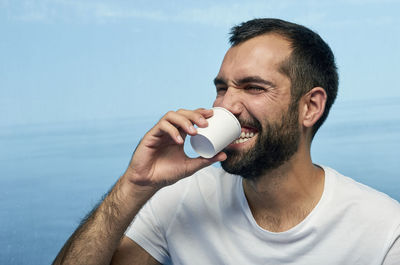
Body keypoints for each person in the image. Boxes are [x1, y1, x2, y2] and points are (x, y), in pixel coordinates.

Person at [53, 18, 400, 265]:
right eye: (222, 88)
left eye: (253, 87)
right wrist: (134, 185)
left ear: (310, 107)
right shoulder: (181, 199)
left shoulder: (384, 233)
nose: (224, 106)